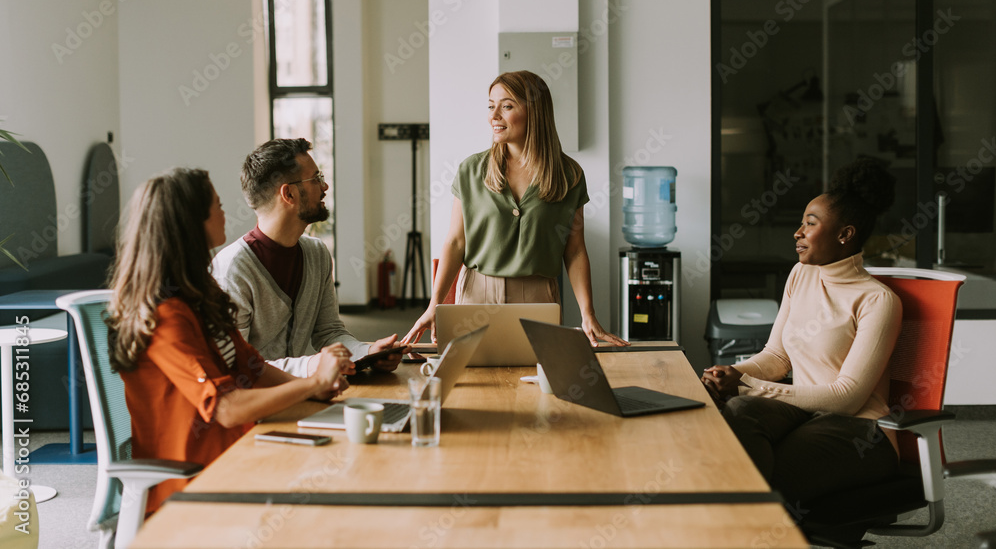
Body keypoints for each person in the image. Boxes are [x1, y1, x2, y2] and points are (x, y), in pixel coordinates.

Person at [107, 168, 352, 515]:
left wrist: (312, 390)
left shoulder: (201, 295)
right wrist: (314, 380)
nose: (225, 213)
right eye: (217, 205)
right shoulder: (166, 318)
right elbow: (226, 408)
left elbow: (252, 366)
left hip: (238, 449)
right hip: (195, 479)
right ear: (192, 223)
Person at [701, 157, 902, 503]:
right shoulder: (801, 274)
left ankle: (747, 528)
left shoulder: (878, 300)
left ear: (845, 234)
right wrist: (731, 373)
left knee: (762, 472)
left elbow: (848, 397)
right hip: (806, 411)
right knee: (738, 411)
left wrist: (747, 385)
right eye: (800, 223)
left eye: (810, 223)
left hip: (860, 429)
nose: (798, 232)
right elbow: (777, 356)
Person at [402, 70, 627, 347]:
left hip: (538, 297)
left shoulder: (569, 174)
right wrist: (433, 305)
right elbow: (455, 241)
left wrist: (588, 313)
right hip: (477, 293)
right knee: (473, 384)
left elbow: (575, 249)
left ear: (535, 112)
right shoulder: (472, 170)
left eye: (506, 106)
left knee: (537, 383)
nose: (493, 115)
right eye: (490, 105)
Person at [212, 139, 405, 377]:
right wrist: (310, 366)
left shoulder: (317, 254)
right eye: (316, 179)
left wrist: (367, 352)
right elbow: (233, 366)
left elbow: (329, 332)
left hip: (310, 391)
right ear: (289, 193)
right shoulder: (232, 269)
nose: (324, 187)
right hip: (261, 405)